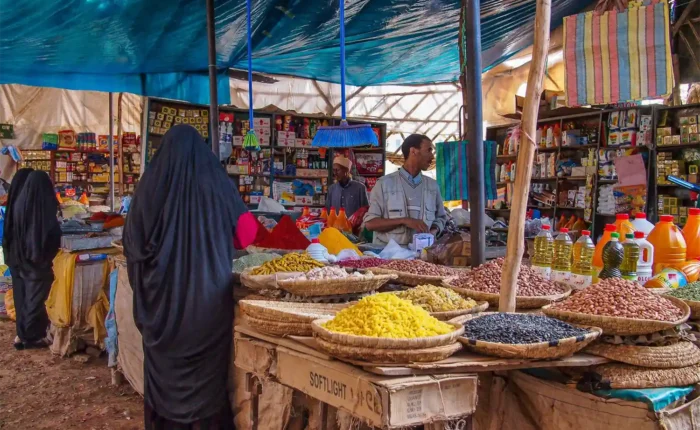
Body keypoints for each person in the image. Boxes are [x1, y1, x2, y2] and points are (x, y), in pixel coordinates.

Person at [124, 125, 255, 430]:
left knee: (164, 381)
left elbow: (132, 246)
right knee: (206, 388)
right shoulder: (216, 182)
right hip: (206, 313)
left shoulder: (148, 187)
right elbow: (247, 234)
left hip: (160, 315)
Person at [4, 170, 61, 349]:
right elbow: (48, 233)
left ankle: (23, 334)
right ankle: (31, 337)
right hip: (36, 259)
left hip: (20, 256)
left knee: (24, 296)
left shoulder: (21, 203)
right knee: (35, 298)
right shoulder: (40, 206)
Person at [364, 134, 448, 246]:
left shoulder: (432, 186)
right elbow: (370, 224)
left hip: (422, 257)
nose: (432, 157)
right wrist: (404, 220)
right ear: (413, 151)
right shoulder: (384, 184)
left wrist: (433, 231)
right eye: (429, 150)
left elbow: (441, 217)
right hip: (389, 257)